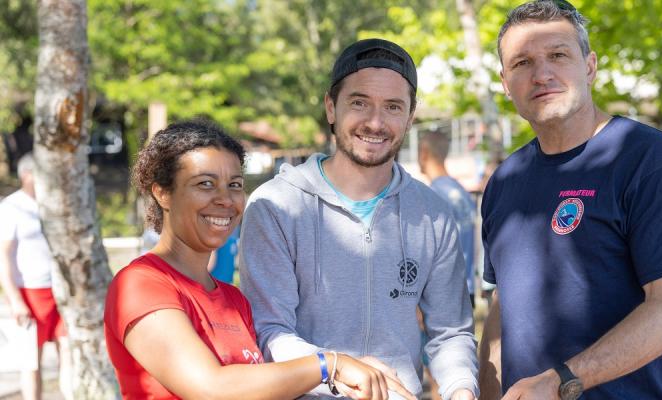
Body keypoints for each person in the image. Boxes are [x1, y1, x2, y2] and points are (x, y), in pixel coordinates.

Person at [479, 1, 662, 399]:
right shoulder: (506, 180)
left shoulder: (649, 160)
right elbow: (504, 308)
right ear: (505, 82)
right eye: (522, 63)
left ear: (589, 67)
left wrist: (560, 381)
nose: (542, 74)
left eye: (558, 55)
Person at [104, 120, 413, 400]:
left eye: (235, 185)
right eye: (205, 184)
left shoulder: (233, 300)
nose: (225, 199)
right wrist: (331, 364)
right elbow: (211, 388)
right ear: (163, 193)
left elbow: (266, 386)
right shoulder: (141, 284)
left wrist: (352, 374)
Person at [240, 39, 478, 400]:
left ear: (410, 116)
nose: (375, 122)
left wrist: (461, 390)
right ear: (331, 108)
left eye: (393, 107)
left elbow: (450, 333)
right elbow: (269, 331)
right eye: (359, 103)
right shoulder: (276, 206)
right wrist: (338, 369)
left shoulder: (433, 213)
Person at [0, 153, 72, 400]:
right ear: (27, 175)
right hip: (29, 293)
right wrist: (15, 300)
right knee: (32, 362)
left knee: (68, 351)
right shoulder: (11, 208)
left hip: (60, 291)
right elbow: (3, 257)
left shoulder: (53, 204)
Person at [417, 130, 477, 307]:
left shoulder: (432, 195)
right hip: (467, 288)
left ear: (424, 152)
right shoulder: (462, 192)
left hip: (444, 295)